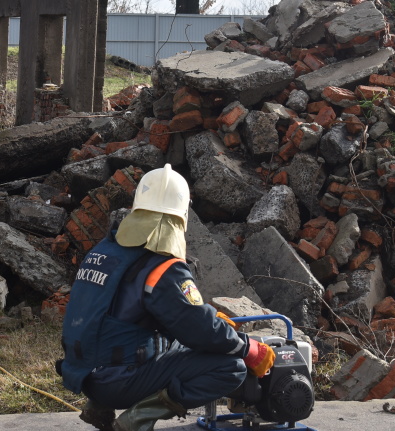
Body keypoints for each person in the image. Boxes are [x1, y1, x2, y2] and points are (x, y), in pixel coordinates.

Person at [59, 164, 276, 431]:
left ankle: (98, 406)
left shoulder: (105, 251)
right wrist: (247, 348)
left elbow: (123, 313)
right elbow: (198, 330)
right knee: (230, 367)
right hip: (117, 381)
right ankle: (136, 420)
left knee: (165, 343)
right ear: (182, 213)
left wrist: (207, 322)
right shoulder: (162, 266)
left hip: (84, 373)